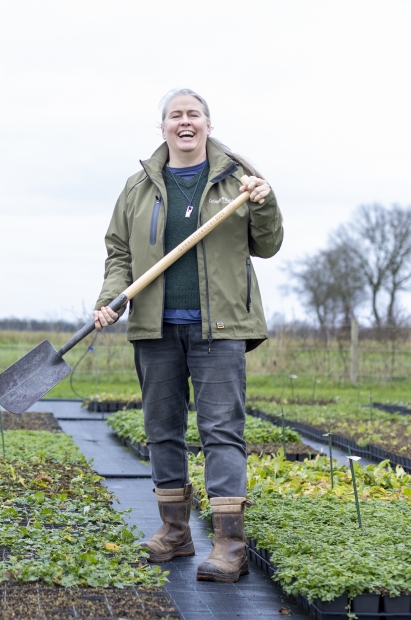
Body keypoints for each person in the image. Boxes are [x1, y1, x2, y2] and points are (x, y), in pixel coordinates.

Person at [92, 88, 283, 583]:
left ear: (207, 125)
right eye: (175, 115)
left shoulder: (239, 181)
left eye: (193, 114)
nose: (185, 122)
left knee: (221, 431)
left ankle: (229, 545)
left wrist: (265, 203)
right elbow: (119, 253)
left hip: (220, 327)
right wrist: (112, 297)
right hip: (155, 327)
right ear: (162, 128)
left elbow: (268, 244)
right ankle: (175, 532)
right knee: (162, 429)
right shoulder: (138, 188)